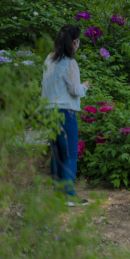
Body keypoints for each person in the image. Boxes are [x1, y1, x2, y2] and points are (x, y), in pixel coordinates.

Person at [41, 24, 91, 206]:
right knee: (70, 154)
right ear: (75, 42)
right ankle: (69, 195)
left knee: (56, 154)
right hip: (65, 112)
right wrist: (85, 86)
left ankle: (57, 193)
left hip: (48, 111)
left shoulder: (49, 59)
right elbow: (74, 90)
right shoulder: (70, 63)